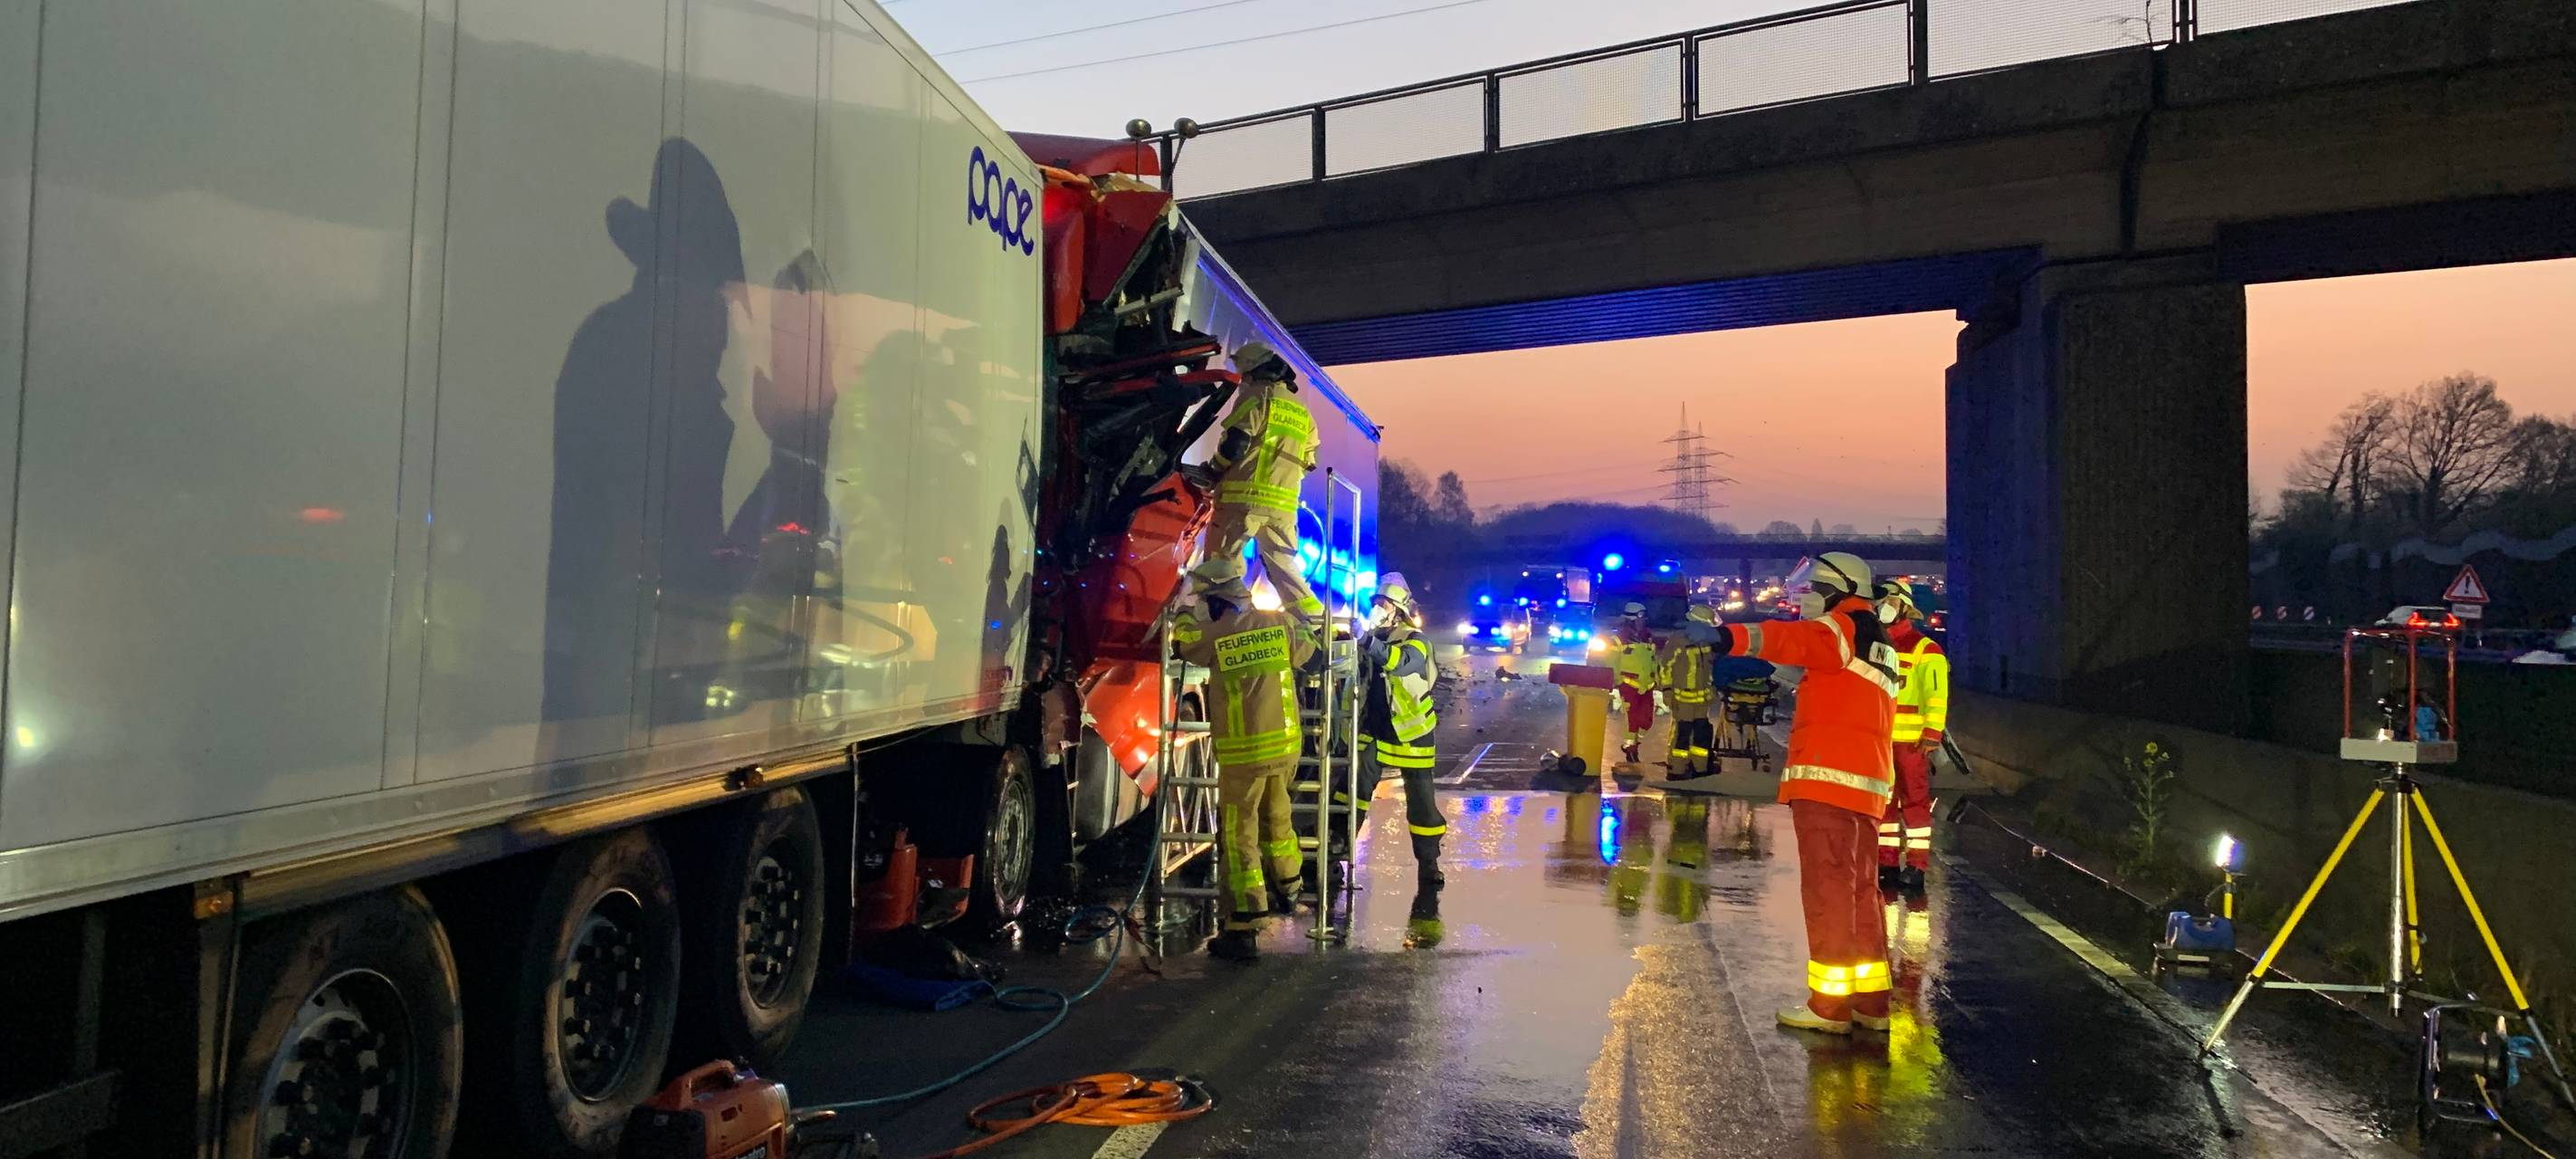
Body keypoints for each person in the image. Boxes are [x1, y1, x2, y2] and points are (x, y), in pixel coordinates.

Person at [1695, 552, 1900, 1034]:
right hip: (1867, 785)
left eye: (1811, 591)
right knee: (1860, 894)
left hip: (1828, 782)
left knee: (1828, 891)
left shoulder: (1842, 627)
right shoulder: (1877, 639)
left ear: (1838, 590)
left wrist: (1730, 636)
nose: (1803, 600)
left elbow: (1791, 638)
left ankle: (1828, 1008)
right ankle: (1871, 1004)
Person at [1172, 592, 1319, 961]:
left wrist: (1187, 613)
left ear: (1215, 602)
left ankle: (1244, 920)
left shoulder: (1217, 633)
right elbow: (1311, 651)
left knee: (1239, 837)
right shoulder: (1278, 624)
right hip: (1284, 747)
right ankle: (1289, 886)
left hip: (1244, 753)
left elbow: (1184, 644)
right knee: (1278, 818)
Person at [1188, 341, 1322, 624]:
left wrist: (1213, 471)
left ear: (1254, 371)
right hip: (1284, 509)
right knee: (1283, 566)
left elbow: (1235, 444)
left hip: (1242, 500)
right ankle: (1316, 624)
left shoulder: (1257, 396)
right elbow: (1310, 461)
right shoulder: (1302, 411)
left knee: (1222, 565)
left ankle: (1228, 623)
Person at [1360, 573, 1446, 889]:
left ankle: (1429, 863)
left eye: (1383, 604)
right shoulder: (1370, 637)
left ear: (1398, 610)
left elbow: (1400, 663)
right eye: (1375, 603)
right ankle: (1335, 857)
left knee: (1421, 799)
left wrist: (1366, 641)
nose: (1377, 608)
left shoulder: (1415, 640)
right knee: (1352, 792)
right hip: (1375, 729)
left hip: (1413, 732)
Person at [1875, 580, 1948, 893]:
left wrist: (1932, 734)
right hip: (1880, 741)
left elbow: (1937, 695)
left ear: (1904, 606)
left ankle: (1916, 866)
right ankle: (1887, 863)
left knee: (1915, 804)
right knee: (1884, 806)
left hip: (1913, 743)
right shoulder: (1876, 648)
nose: (1884, 607)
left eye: (1891, 601)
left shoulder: (1925, 649)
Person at [1656, 605, 1720, 778]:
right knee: (1682, 734)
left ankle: (1700, 769)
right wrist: (1667, 691)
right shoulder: (1678, 640)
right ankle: (1677, 770)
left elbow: (1710, 668)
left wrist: (1712, 689)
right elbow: (1665, 667)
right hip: (1683, 698)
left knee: (1701, 734)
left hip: (1701, 700)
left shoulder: (1705, 641)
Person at [1610, 603, 1660, 764]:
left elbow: (1653, 659)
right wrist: (1617, 681)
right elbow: (1612, 663)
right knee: (1632, 719)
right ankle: (1631, 750)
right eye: (1640, 617)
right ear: (1631, 619)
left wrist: (1657, 678)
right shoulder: (1618, 639)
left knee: (1647, 721)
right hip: (1628, 684)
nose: (1643, 620)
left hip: (1648, 685)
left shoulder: (1647, 636)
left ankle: (1634, 743)